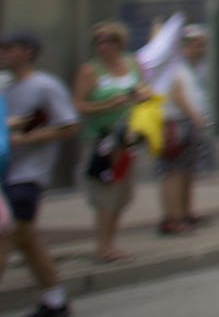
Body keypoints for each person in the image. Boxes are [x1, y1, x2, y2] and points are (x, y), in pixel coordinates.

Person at [1, 32, 79, 317]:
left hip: (28, 174)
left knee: (6, 235)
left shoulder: (45, 86)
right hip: (4, 172)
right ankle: (55, 301)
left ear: (28, 52)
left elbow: (69, 125)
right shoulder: (5, 87)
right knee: (27, 239)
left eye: (9, 48)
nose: (3, 54)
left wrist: (26, 139)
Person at [73, 20, 149, 264]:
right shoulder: (90, 71)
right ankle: (102, 247)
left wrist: (141, 96)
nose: (103, 46)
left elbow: (145, 90)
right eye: (98, 41)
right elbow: (79, 105)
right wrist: (107, 104)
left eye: (109, 41)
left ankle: (112, 243)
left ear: (120, 42)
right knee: (105, 194)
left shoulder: (132, 64)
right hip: (102, 138)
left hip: (127, 137)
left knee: (123, 193)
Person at [155, 25, 214, 237]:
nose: (202, 50)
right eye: (198, 46)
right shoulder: (175, 67)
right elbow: (177, 95)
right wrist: (195, 116)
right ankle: (172, 217)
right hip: (174, 122)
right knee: (174, 172)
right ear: (185, 47)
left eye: (203, 46)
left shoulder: (196, 68)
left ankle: (186, 211)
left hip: (189, 123)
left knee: (187, 170)